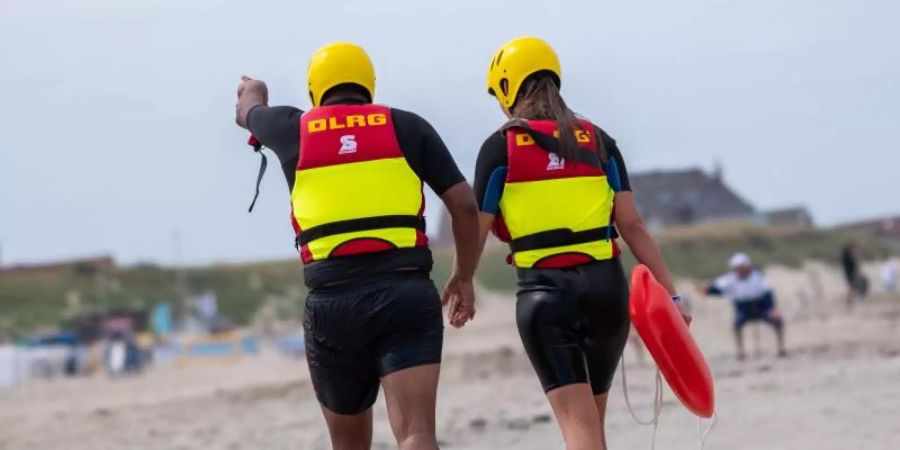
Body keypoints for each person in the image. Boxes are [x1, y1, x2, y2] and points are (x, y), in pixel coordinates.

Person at [235, 42, 480, 450]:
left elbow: (246, 111)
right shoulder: (407, 126)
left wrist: (254, 89)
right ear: (369, 86)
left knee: (348, 444)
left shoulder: (292, 128)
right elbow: (466, 207)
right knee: (416, 432)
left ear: (315, 89)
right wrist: (463, 277)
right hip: (406, 294)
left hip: (332, 304)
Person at [453, 36, 690, 450]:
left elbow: (476, 226)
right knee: (591, 426)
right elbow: (633, 225)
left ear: (508, 87)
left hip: (547, 296)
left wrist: (464, 281)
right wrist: (671, 295)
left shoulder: (501, 147)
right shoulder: (599, 142)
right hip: (607, 293)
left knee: (580, 431)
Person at [700, 252, 786, 360]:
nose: (739, 270)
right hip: (743, 308)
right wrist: (706, 290)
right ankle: (740, 351)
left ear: (747, 267)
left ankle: (781, 348)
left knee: (778, 321)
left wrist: (771, 308)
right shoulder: (731, 279)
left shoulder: (758, 277)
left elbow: (767, 293)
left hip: (761, 306)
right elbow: (717, 288)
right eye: (736, 268)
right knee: (736, 325)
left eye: (741, 268)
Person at [841, 239, 867, 306]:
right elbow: (854, 265)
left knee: (853, 287)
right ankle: (849, 301)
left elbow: (855, 265)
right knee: (852, 286)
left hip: (849, 272)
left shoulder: (847, 254)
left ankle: (850, 301)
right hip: (850, 272)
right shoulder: (849, 254)